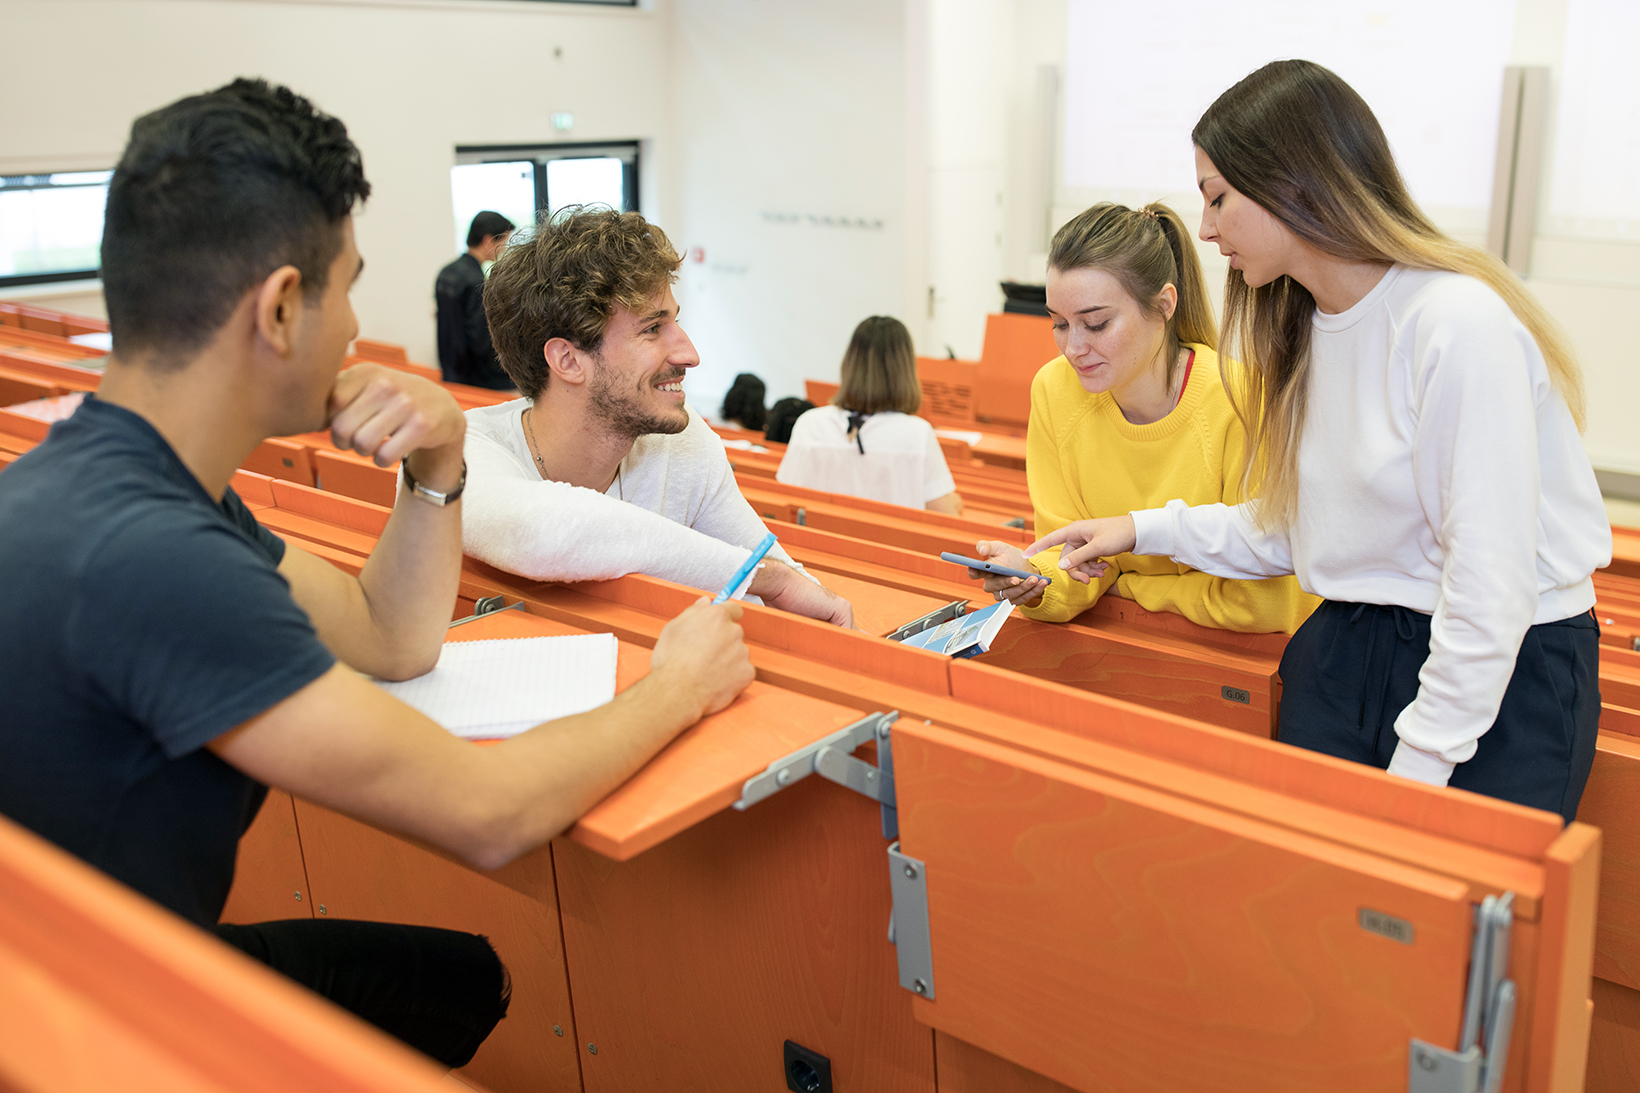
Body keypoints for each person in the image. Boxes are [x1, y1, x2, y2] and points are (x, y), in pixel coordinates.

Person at [0, 79, 754, 1068]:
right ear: (278, 307)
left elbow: (389, 639)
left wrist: (439, 461)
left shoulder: (121, 484)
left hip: (68, 956)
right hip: (94, 1019)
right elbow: (490, 815)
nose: (358, 327)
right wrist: (678, 689)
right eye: (347, 284)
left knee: (448, 983)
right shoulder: (160, 563)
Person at [1029, 60, 1610, 823]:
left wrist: (1422, 763)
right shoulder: (1304, 328)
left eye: (1218, 197)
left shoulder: (1454, 324)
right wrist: (1140, 528)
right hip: (1349, 639)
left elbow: (1488, 584)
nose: (1205, 228)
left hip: (1504, 667)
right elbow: (1297, 528)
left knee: (1438, 923)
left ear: (1292, 183)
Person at [462, 206, 854, 628]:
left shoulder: (683, 444)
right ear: (568, 360)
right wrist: (768, 580)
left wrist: (782, 584)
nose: (689, 354)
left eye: (675, 322)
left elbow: (777, 577)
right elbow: (545, 531)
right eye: (652, 329)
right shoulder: (463, 451)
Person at [965, 202, 1316, 633]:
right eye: (1058, 323)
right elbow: (1073, 565)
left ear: (1165, 305)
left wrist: (1126, 584)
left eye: (1095, 324)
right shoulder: (1054, 390)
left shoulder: (1242, 400)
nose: (1073, 347)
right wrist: (1036, 581)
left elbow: (1264, 603)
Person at [776, 316, 964, 515]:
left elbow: (785, 498)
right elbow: (945, 516)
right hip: (891, 545)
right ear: (906, 369)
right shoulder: (917, 433)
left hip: (819, 544)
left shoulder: (809, 423)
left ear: (850, 363)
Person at [435, 210, 516, 390]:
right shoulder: (476, 280)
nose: (504, 248)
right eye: (503, 242)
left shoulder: (446, 272)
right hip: (475, 379)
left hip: (450, 373)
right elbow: (480, 339)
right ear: (488, 240)